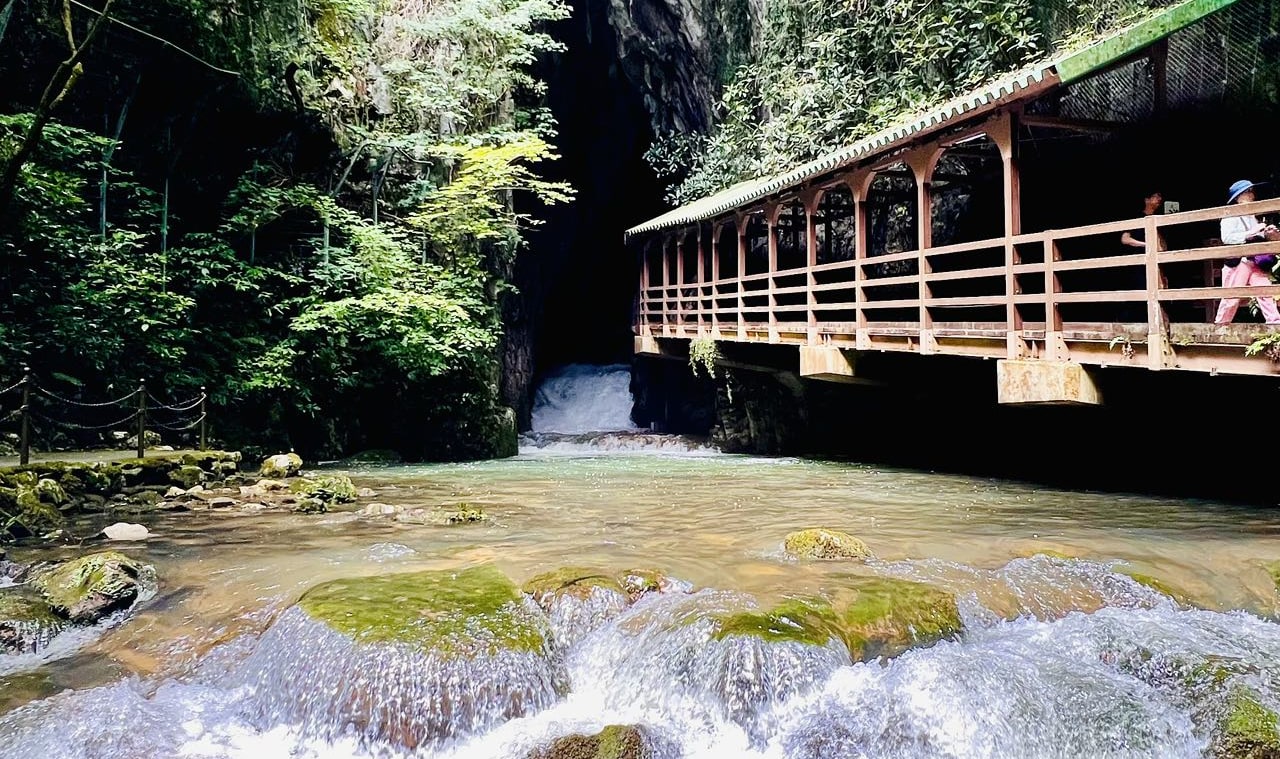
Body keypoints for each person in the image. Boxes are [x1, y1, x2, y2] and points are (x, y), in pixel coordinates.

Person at [1214, 179, 1280, 325]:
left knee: (1265, 291)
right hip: (1239, 262)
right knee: (1231, 299)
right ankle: (1220, 326)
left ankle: (1275, 322)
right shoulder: (1229, 215)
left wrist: (1267, 234)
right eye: (1247, 192)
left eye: (1251, 191)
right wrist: (1253, 231)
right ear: (1238, 197)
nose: (1252, 195)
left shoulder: (1251, 216)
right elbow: (1227, 238)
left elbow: (1256, 236)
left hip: (1253, 260)